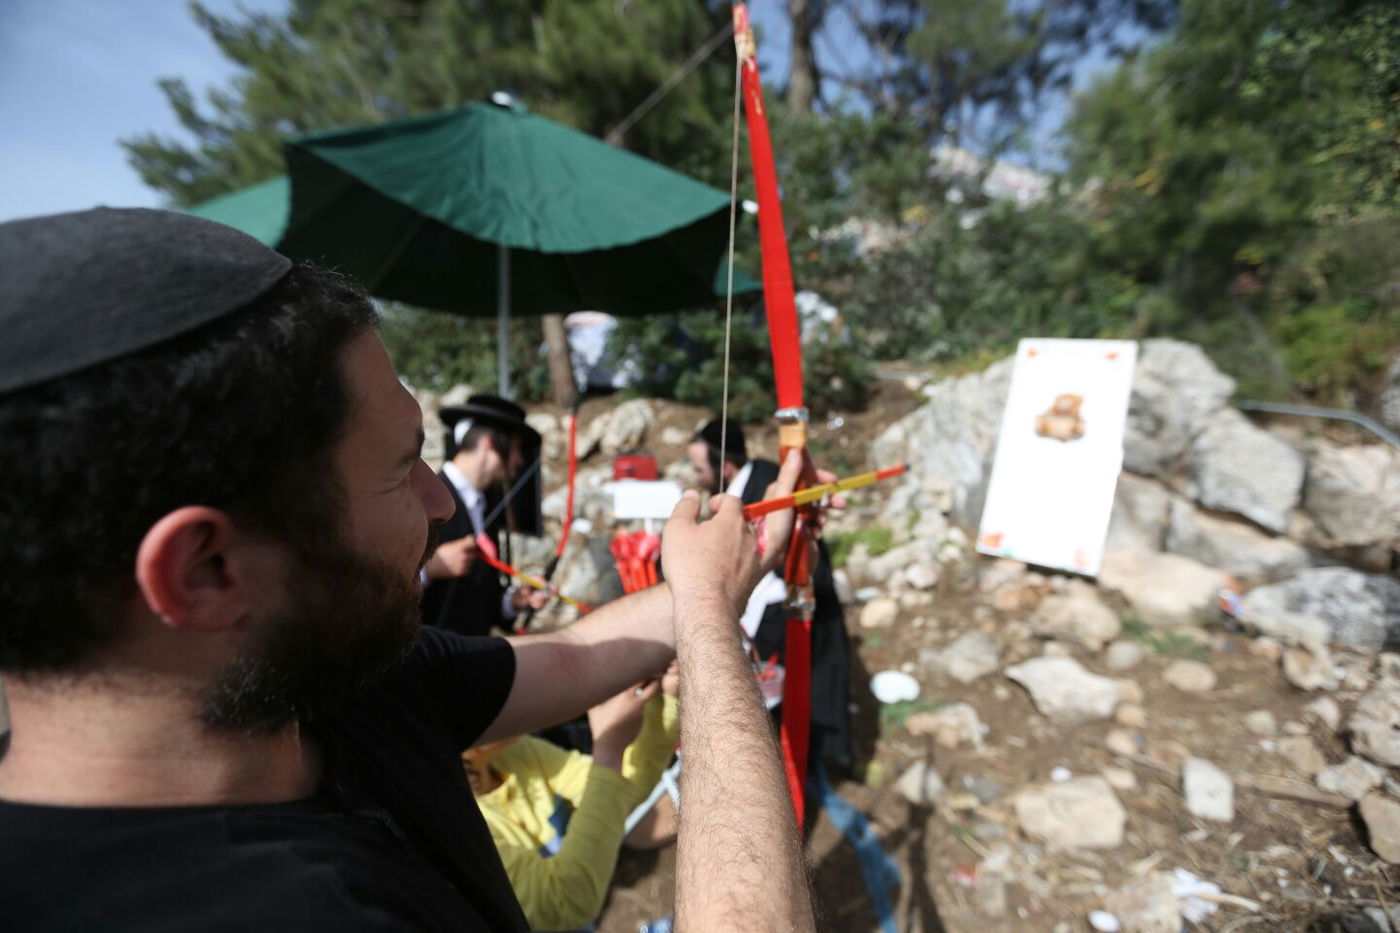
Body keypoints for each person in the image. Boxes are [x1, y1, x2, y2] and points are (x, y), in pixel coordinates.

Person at [0, 208, 814, 932]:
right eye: (399, 470)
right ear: (206, 571)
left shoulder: (320, 672)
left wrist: (721, 570)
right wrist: (710, 624)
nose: (438, 502)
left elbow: (568, 658)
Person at [688, 418, 855, 774]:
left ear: (725, 466)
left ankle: (797, 769)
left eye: (699, 469)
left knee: (790, 706)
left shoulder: (767, 482)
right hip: (770, 610)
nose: (696, 477)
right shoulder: (746, 487)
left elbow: (802, 560)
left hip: (786, 613)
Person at [464, 676, 679, 930]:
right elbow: (563, 902)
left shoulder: (515, 754)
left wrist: (665, 698)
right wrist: (608, 752)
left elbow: (622, 788)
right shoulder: (463, 829)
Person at [420, 395, 550, 637]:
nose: (520, 461)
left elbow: (481, 599)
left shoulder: (485, 506)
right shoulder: (423, 501)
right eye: (515, 448)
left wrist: (513, 601)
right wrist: (429, 568)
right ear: (490, 443)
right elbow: (383, 587)